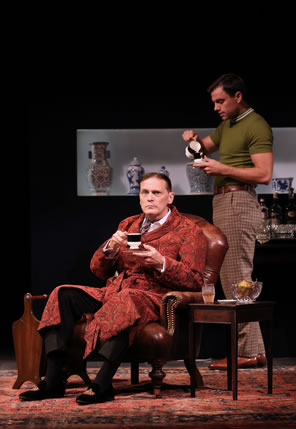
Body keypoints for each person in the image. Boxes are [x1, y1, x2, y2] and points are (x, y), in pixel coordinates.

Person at [19, 172, 207, 404]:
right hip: (116, 290)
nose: (150, 198)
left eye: (156, 193)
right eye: (145, 192)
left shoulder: (189, 231)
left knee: (127, 299)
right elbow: (98, 270)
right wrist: (110, 248)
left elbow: (195, 280)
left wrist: (162, 263)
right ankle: (53, 380)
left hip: (153, 295)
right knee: (63, 293)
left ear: (170, 197)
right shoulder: (128, 224)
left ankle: (103, 383)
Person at [182, 73, 273, 370]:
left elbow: (263, 174)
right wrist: (193, 141)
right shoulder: (227, 125)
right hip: (222, 200)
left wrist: (223, 167)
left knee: (237, 278)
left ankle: (249, 352)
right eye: (213, 102)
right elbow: (202, 150)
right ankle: (253, 351)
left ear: (237, 97)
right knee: (233, 278)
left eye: (220, 101)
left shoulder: (256, 124)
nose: (216, 107)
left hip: (238, 200)